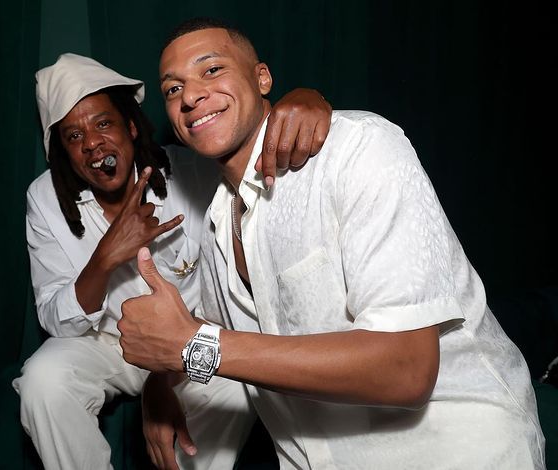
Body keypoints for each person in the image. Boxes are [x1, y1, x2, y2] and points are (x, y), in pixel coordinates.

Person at [117, 18, 546, 469]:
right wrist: (160, 384)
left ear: (262, 78)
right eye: (173, 89)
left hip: (453, 451)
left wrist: (193, 347)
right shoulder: (217, 224)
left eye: (211, 70)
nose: (190, 96)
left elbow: (407, 369)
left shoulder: (357, 150)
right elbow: (213, 325)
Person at [12, 52, 333, 470]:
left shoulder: (192, 171)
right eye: (74, 136)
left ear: (131, 127)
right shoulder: (45, 199)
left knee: (238, 382)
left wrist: (309, 98)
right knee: (42, 381)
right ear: (64, 152)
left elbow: (263, 148)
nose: (91, 143)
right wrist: (106, 256)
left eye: (103, 124)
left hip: (188, 337)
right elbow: (57, 320)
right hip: (104, 341)